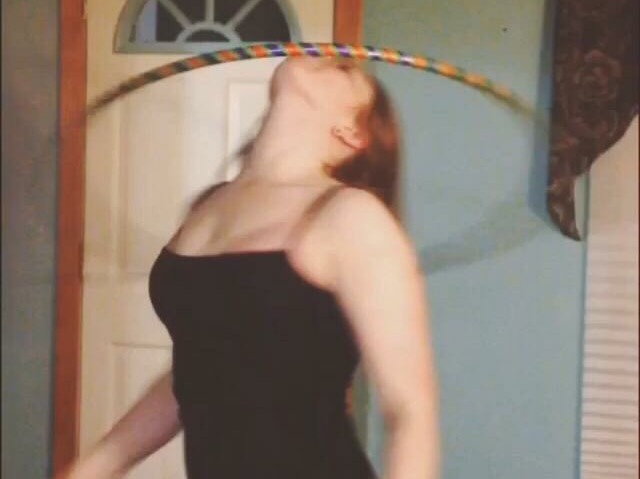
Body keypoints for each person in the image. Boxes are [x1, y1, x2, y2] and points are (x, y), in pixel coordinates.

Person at [60, 56, 440, 479]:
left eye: (345, 70)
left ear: (352, 133)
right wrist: (97, 465)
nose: (325, 58)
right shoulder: (210, 206)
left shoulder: (350, 215)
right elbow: (201, 369)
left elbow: (410, 411)